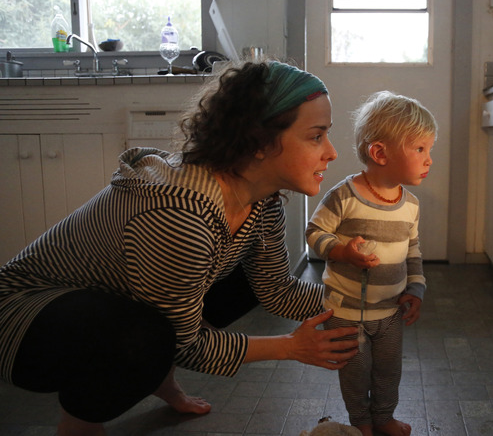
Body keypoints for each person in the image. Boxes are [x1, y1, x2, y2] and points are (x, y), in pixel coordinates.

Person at [0, 59, 359, 435]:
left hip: (112, 303)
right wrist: (291, 347)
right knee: (149, 339)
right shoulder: (181, 215)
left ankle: (160, 382)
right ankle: (79, 424)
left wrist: (366, 306)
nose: (331, 152)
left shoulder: (262, 201)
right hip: (23, 320)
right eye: (316, 136)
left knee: (241, 283)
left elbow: (275, 288)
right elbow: (186, 344)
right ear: (258, 142)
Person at [305, 91, 437, 436]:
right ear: (380, 153)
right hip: (346, 311)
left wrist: (416, 288)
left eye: (429, 150)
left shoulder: (410, 205)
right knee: (354, 371)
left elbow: (413, 250)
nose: (429, 160)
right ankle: (361, 423)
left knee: (388, 371)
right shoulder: (344, 196)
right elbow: (315, 232)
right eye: (420, 149)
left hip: (390, 311)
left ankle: (383, 417)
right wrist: (341, 251)